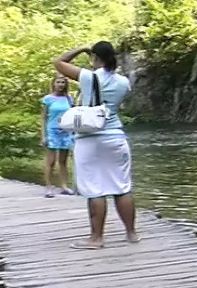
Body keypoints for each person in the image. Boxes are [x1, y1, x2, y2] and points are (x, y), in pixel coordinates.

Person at [53, 41, 140, 249]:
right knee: (122, 188)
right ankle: (131, 233)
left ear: (95, 58)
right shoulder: (123, 81)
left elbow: (58, 62)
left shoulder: (87, 77)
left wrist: (80, 49)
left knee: (95, 190)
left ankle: (96, 238)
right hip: (116, 137)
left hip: (89, 139)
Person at [41, 75, 74, 198]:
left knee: (63, 161)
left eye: (63, 82)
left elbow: (73, 115)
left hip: (66, 131)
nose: (60, 84)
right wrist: (44, 136)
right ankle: (49, 187)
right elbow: (43, 118)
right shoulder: (48, 99)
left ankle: (64, 186)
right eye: (58, 82)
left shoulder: (69, 99)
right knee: (51, 161)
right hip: (52, 131)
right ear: (53, 84)